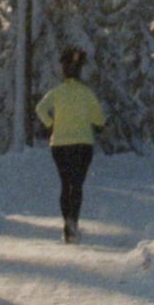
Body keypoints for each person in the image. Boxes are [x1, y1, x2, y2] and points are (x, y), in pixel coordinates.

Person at [35, 47, 106, 244]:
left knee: (65, 184)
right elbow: (99, 119)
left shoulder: (56, 93)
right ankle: (73, 222)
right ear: (80, 70)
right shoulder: (87, 93)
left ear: (64, 70)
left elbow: (40, 109)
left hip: (59, 145)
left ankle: (67, 224)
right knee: (77, 185)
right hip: (83, 144)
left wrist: (51, 124)